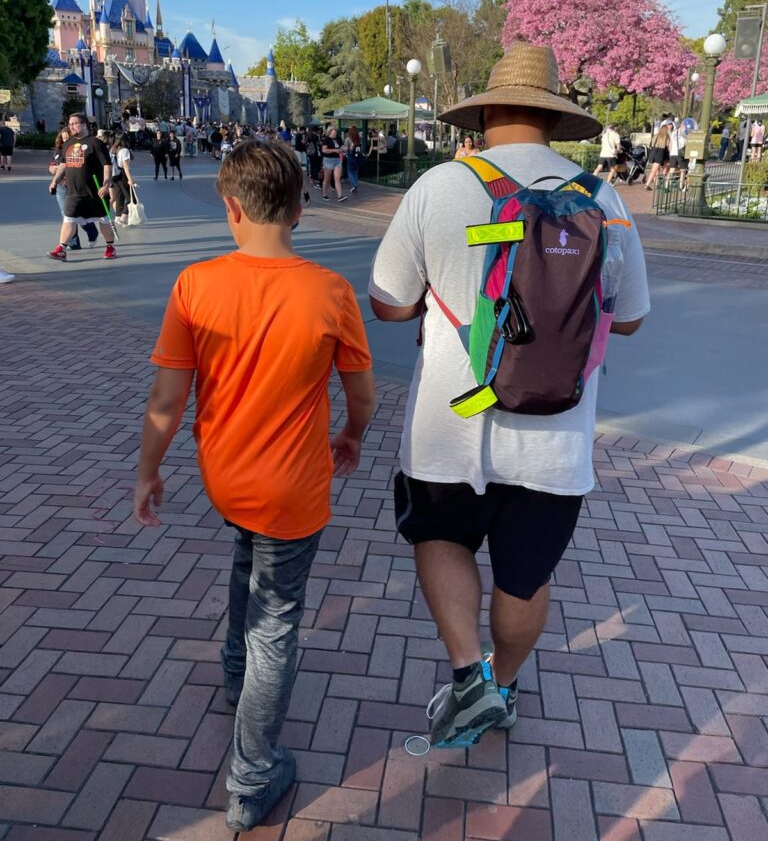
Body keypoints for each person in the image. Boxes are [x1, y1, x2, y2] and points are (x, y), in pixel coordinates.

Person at [369, 41, 649, 749]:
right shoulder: (604, 201)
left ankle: (469, 680)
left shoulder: (439, 186)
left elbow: (388, 304)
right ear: (555, 121)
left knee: (438, 536)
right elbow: (633, 315)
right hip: (557, 434)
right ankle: (507, 684)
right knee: (523, 576)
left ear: (485, 112)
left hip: (449, 427)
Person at [133, 139, 375, 831]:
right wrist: (351, 437)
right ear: (301, 208)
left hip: (226, 480)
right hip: (293, 490)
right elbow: (362, 396)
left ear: (230, 205)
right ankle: (251, 777)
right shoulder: (329, 292)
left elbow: (166, 402)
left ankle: (235, 672)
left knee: (249, 557)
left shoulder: (196, 284)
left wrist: (148, 472)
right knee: (279, 622)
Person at [47, 112, 117, 261]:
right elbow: (63, 165)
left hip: (95, 191)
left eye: (74, 123)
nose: (71, 126)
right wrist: (55, 181)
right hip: (74, 192)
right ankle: (61, 249)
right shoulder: (68, 143)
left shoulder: (95, 143)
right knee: (69, 220)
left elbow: (107, 165)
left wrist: (106, 184)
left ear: (84, 124)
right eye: (69, 124)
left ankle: (110, 247)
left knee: (103, 221)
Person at [111, 134, 138, 225]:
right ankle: (124, 217)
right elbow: (125, 166)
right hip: (123, 175)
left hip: (115, 176)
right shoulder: (125, 150)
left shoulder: (113, 149)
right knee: (131, 198)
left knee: (120, 197)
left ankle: (118, 217)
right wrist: (130, 179)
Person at [321, 126, 347, 201]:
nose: (335, 133)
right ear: (330, 132)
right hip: (328, 160)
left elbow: (341, 146)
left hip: (337, 159)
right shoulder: (326, 139)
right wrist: (334, 150)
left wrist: (344, 149)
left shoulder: (338, 138)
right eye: (334, 131)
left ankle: (340, 196)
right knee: (327, 178)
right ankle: (324, 194)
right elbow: (324, 150)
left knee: (337, 179)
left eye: (336, 131)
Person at [644, 121, 672, 191]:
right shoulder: (667, 136)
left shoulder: (656, 135)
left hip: (653, 152)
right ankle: (647, 184)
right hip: (660, 153)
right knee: (654, 170)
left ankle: (656, 185)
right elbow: (668, 146)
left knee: (656, 170)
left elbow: (651, 144)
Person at [342, 125, 364, 193]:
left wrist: (345, 152)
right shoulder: (359, 138)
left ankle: (354, 185)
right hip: (358, 156)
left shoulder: (348, 138)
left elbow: (345, 148)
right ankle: (355, 184)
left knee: (350, 171)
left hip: (351, 156)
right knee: (355, 171)